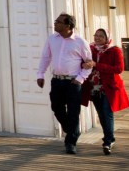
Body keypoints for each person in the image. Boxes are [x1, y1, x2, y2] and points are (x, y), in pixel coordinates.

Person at [36, 13, 92, 155]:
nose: (55, 23)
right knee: (56, 107)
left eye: (58, 22)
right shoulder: (52, 39)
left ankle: (70, 143)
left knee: (73, 112)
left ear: (68, 26)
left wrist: (80, 79)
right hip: (57, 80)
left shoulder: (80, 42)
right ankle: (72, 130)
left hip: (73, 82)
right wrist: (40, 74)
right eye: (56, 21)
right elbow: (45, 57)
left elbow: (88, 63)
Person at [81, 28, 129, 155]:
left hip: (109, 87)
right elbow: (83, 63)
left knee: (107, 113)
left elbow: (119, 69)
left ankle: (108, 141)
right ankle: (108, 137)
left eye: (101, 36)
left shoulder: (114, 50)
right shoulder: (90, 48)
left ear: (107, 38)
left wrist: (97, 65)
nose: (97, 38)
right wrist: (84, 65)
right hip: (94, 87)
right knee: (101, 114)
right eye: (96, 35)